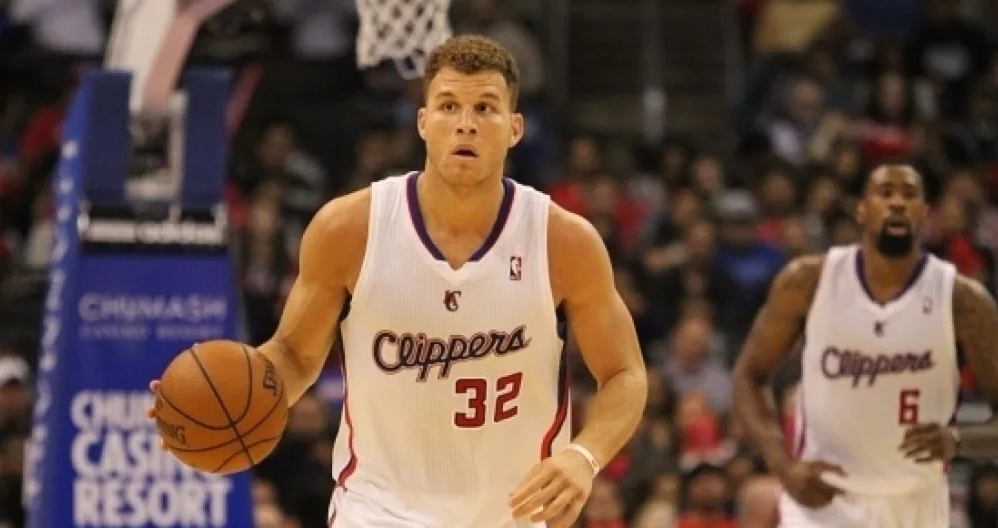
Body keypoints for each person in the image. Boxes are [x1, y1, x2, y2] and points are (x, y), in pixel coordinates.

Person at [149, 35, 648, 528]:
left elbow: (624, 373)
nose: (466, 124)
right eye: (448, 106)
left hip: (514, 513)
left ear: (515, 128)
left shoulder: (563, 242)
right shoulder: (349, 230)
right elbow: (296, 356)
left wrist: (584, 456)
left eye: (485, 108)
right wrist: (210, 400)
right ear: (423, 122)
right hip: (377, 509)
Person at [730, 164, 998, 527]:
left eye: (909, 195)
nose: (897, 203)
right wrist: (783, 466)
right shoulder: (808, 282)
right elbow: (748, 375)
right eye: (885, 193)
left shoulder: (962, 301)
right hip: (824, 499)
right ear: (862, 209)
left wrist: (957, 441)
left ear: (924, 213)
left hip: (916, 503)